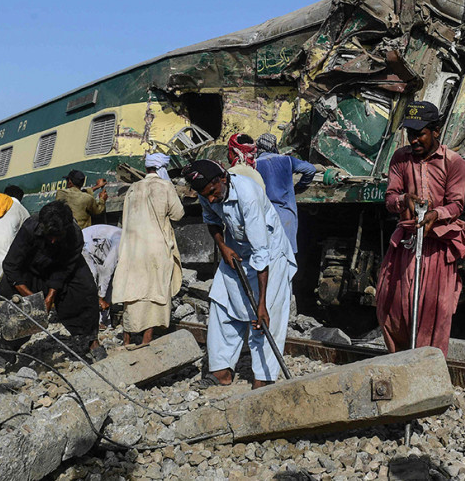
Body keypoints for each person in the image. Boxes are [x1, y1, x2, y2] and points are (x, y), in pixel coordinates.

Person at [376, 101, 465, 357]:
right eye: (410, 134)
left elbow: (456, 204)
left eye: (419, 134)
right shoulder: (400, 159)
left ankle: (427, 364)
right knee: (394, 305)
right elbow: (391, 197)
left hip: (438, 245)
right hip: (408, 241)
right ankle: (401, 358)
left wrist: (437, 213)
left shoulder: (453, 162)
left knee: (434, 310)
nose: (413, 140)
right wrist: (404, 200)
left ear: (436, 131)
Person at [185, 159, 296, 389]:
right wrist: (223, 247)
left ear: (222, 178)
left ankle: (263, 379)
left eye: (213, 193)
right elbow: (212, 222)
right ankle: (221, 371)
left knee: (263, 319)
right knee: (222, 305)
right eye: (207, 196)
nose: (211, 199)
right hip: (236, 251)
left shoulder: (248, 195)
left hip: (269, 255)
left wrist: (262, 303)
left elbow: (261, 253)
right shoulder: (207, 193)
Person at [0, 200, 102, 360]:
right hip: (29, 269)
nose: (53, 241)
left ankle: (89, 340)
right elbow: (11, 265)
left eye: (57, 237)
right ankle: (5, 350)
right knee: (9, 293)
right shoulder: (29, 228)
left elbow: (64, 269)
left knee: (85, 287)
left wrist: (50, 297)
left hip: (59, 267)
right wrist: (34, 300)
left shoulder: (74, 236)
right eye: (49, 236)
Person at [112, 153, 185, 345]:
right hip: (156, 248)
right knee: (155, 292)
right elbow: (178, 214)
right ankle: (146, 339)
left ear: (146, 169)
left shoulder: (133, 189)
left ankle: (127, 339)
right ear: (163, 169)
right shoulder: (165, 186)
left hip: (133, 249)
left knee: (133, 292)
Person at [254, 133, 317, 254]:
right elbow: (311, 170)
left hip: (262, 216)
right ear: (274, 146)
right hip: (285, 215)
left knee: (264, 257)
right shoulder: (286, 160)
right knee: (285, 257)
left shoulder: (254, 165)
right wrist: (300, 186)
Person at [81, 224, 122, 329]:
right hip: (85, 245)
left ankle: (104, 321)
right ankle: (93, 322)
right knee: (92, 277)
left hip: (98, 248)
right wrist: (101, 297)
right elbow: (107, 269)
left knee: (109, 282)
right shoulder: (120, 243)